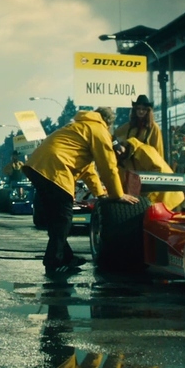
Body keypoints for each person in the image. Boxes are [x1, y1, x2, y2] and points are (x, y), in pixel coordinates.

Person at [24, 107, 138, 277]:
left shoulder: (80, 127)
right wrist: (117, 195)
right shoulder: (99, 130)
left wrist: (100, 194)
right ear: (108, 123)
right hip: (56, 168)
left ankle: (67, 257)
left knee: (54, 217)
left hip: (37, 165)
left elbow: (88, 169)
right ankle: (54, 262)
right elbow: (108, 166)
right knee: (63, 218)